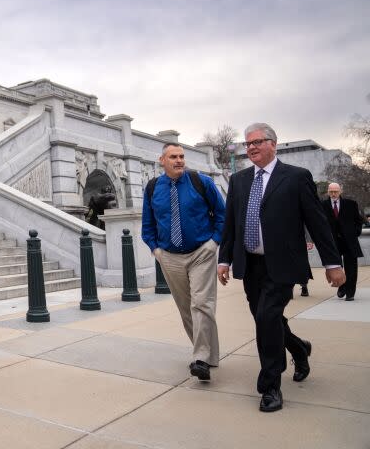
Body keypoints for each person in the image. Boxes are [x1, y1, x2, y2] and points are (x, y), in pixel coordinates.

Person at [218, 123, 345, 413]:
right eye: (247, 144)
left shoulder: (296, 178)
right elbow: (230, 225)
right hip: (251, 264)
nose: (251, 148)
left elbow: (317, 222)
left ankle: (270, 386)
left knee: (266, 317)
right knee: (267, 320)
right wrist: (224, 259)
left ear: (274, 144)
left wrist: (333, 263)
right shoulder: (238, 181)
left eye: (257, 142)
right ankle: (300, 349)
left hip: (284, 264)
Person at [141, 143, 225, 381]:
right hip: (169, 256)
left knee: (202, 303)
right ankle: (210, 355)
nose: (179, 160)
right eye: (173, 157)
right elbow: (148, 224)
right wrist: (155, 249)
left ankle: (200, 358)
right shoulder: (153, 188)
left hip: (201, 252)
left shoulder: (201, 182)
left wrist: (214, 242)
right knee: (187, 308)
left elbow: (222, 214)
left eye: (181, 156)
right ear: (162, 160)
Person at [323, 183, 365, 301]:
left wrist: (355, 232)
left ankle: (350, 292)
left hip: (349, 241)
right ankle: (342, 287)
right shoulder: (323, 205)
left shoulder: (351, 204)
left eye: (335, 191)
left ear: (340, 191)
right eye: (331, 191)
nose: (333, 194)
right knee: (337, 266)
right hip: (332, 242)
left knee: (351, 268)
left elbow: (358, 220)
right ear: (328, 192)